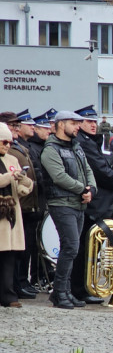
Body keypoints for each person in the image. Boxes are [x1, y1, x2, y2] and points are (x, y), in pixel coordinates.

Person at [40, 111, 96, 309]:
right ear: (61, 125)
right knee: (70, 246)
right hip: (61, 203)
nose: (77, 127)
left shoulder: (76, 147)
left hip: (78, 203)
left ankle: (65, 291)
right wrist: (83, 189)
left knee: (72, 248)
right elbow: (59, 176)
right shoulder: (51, 149)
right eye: (73, 123)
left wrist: (91, 188)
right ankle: (59, 292)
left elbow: (87, 169)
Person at [72, 104, 113, 305]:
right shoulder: (84, 143)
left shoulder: (91, 141)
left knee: (89, 251)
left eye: (95, 122)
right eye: (88, 122)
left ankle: (83, 288)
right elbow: (100, 170)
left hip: (98, 204)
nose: (93, 125)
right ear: (80, 123)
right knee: (84, 250)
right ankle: (78, 289)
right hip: (92, 205)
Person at [0, 123, 34, 308]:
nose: (7, 146)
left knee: (10, 255)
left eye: (9, 142)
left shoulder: (12, 159)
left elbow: (22, 187)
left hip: (11, 211)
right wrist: (11, 177)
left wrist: (24, 183)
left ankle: (9, 293)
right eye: (3, 142)